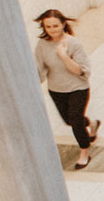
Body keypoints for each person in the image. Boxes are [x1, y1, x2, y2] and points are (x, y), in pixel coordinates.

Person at [33, 10, 98, 169]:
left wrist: (63, 55)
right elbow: (39, 70)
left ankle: (84, 153)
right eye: (48, 26)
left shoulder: (73, 43)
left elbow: (81, 71)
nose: (52, 29)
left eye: (55, 25)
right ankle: (92, 123)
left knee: (75, 121)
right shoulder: (42, 44)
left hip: (78, 88)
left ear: (63, 24)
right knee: (69, 120)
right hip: (56, 89)